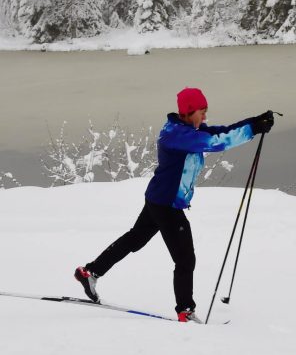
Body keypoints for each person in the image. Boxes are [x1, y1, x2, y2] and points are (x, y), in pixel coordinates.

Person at [74, 87, 274, 323]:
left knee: (135, 239)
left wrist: (253, 122)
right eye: (202, 112)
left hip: (158, 198)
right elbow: (216, 142)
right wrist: (253, 128)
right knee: (185, 259)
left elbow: (220, 131)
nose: (205, 117)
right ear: (188, 112)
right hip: (167, 204)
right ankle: (185, 311)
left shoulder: (186, 129)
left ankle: (90, 272)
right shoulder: (178, 136)